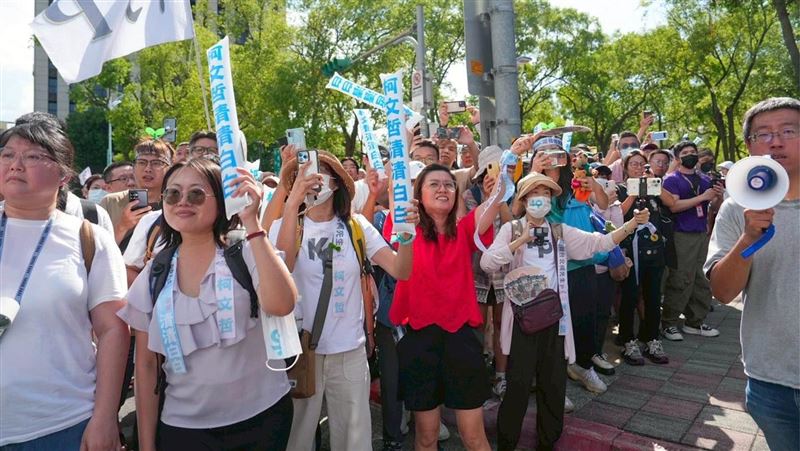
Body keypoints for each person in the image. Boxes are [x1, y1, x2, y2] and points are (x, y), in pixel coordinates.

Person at [118, 158, 297, 450]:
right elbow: (147, 366)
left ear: (223, 201)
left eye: (196, 194)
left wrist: (252, 222)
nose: (182, 202)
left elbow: (281, 304)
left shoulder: (248, 250)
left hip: (262, 418)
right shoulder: (156, 270)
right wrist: (148, 444)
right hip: (183, 427)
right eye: (173, 194)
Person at [482, 173, 651, 451]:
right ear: (523, 200)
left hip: (554, 320)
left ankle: (547, 444)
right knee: (518, 388)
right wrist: (519, 241)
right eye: (535, 193)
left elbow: (597, 243)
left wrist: (631, 224)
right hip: (523, 322)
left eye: (546, 194)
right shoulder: (511, 229)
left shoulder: (559, 230)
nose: (541, 198)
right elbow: (489, 263)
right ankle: (507, 444)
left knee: (553, 387)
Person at [271, 151, 415, 451]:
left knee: (354, 438)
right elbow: (283, 263)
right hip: (301, 351)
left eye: (319, 172)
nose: (312, 179)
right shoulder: (284, 226)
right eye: (304, 173)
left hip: (349, 349)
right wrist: (292, 203)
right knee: (296, 437)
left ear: (335, 184)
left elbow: (401, 270)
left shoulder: (356, 226)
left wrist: (407, 235)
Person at [0, 122, 129, 450]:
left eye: (32, 156)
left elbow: (113, 330)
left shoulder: (88, 238)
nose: (15, 164)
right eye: (7, 154)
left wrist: (104, 417)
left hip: (62, 425)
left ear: (63, 176)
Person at [388, 160, 507, 451]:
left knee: (474, 437)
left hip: (461, 340)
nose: (443, 189)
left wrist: (509, 163)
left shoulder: (465, 230)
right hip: (418, 340)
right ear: (419, 193)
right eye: (434, 184)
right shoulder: (405, 227)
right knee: (426, 437)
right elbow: (396, 194)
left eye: (449, 184)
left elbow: (496, 198)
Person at [705, 97, 800, 451]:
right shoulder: (737, 206)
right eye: (764, 134)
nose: (776, 141)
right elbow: (723, 292)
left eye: (788, 131)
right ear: (749, 146)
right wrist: (748, 238)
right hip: (769, 381)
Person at [529, 133, 614, 392]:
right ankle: (552, 384)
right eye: (544, 154)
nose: (552, 158)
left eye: (557, 153)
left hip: (582, 261)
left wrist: (593, 183)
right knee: (552, 324)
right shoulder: (532, 184)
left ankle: (582, 367)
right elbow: (526, 211)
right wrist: (535, 174)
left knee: (584, 317)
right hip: (549, 264)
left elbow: (601, 203)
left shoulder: (575, 183)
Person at [660, 141, 724, 341]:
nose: (690, 155)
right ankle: (669, 323)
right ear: (678, 158)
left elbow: (712, 206)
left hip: (700, 233)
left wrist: (718, 197)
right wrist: (702, 198)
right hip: (681, 234)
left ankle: (694, 322)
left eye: (693, 152)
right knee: (680, 278)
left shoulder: (704, 179)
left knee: (700, 278)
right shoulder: (671, 180)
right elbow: (675, 206)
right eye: (685, 153)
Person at [463, 146, 513, 397]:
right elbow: (475, 227)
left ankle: (502, 376)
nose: (492, 175)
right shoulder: (470, 194)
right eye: (488, 171)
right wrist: (488, 198)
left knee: (503, 323)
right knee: (478, 324)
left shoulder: (512, 192)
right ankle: (477, 373)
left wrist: (501, 196)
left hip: (504, 270)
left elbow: (510, 223)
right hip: (477, 270)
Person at [615, 151, 673, 365]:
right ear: (626, 167)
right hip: (630, 251)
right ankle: (627, 339)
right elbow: (618, 214)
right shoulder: (620, 188)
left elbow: (671, 202)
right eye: (634, 164)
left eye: (642, 164)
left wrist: (652, 183)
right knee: (629, 296)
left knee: (653, 296)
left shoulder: (652, 185)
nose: (638, 168)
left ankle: (651, 339)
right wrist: (633, 191)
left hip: (654, 250)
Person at [100, 139, 172, 246]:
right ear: (133, 168)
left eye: (156, 163)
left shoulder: (176, 202)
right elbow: (97, 251)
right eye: (142, 162)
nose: (148, 169)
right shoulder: (111, 202)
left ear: (170, 169)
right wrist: (122, 227)